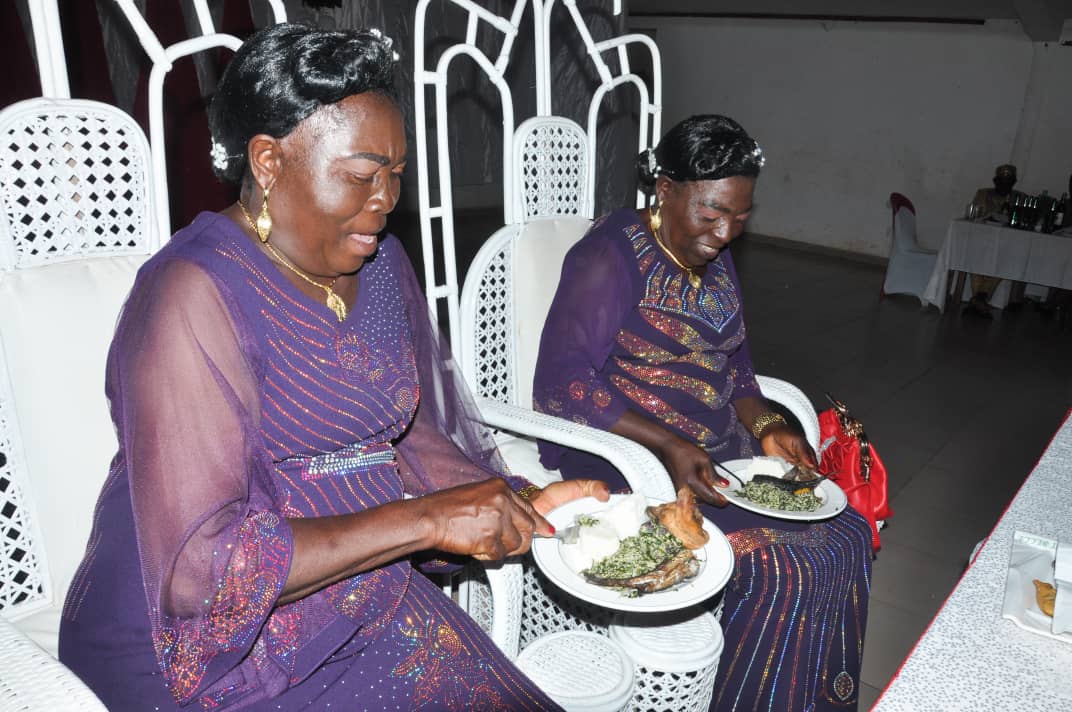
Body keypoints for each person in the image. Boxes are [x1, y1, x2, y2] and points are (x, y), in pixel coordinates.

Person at [58, 23, 605, 711]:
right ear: (268, 161)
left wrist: (516, 500)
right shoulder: (192, 295)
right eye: (360, 175)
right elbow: (200, 575)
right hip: (203, 656)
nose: (385, 200)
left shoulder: (379, 264)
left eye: (396, 175)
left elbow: (408, 437)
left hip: (359, 589)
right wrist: (426, 521)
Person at [533, 115, 872, 711]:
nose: (725, 233)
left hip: (714, 453)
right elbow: (563, 382)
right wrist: (668, 444)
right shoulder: (609, 256)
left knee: (846, 535)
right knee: (780, 565)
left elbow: (735, 367)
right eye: (713, 212)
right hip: (627, 454)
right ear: (665, 189)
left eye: (740, 217)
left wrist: (768, 426)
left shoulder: (710, 251)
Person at [964, 164, 1025, 317]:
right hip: (982, 240)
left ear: (1013, 183)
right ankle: (981, 299)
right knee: (975, 258)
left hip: (1006, 244)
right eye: (1001, 182)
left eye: (1008, 182)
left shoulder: (1019, 198)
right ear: (995, 181)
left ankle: (978, 299)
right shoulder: (983, 194)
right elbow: (975, 216)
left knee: (1007, 261)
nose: (1004, 185)